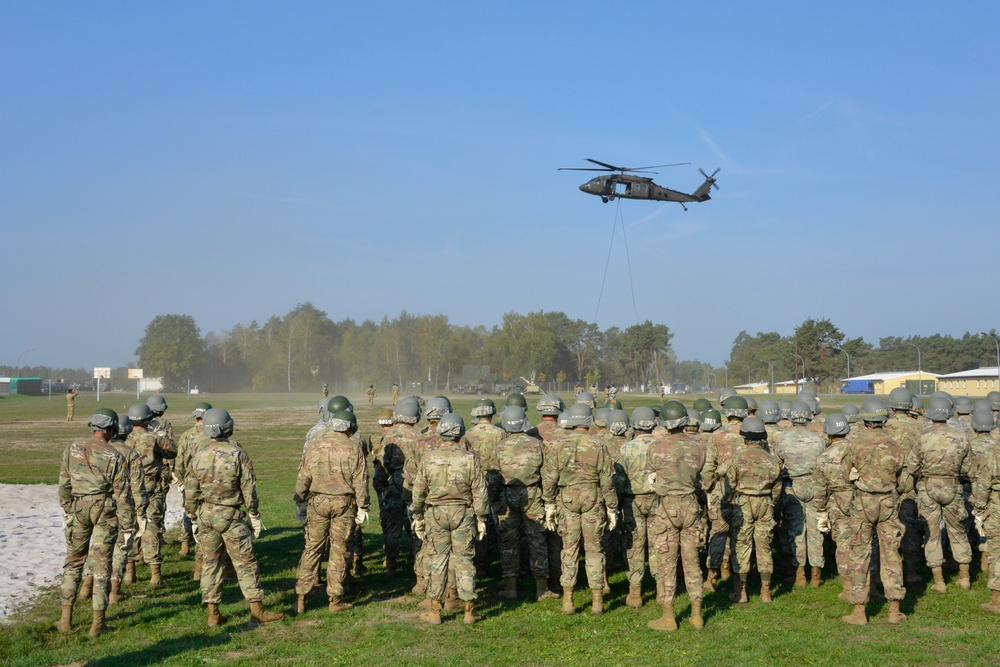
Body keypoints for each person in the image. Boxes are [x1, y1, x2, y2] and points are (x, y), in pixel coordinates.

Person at [185, 408, 283, 627]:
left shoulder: (198, 454)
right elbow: (249, 489)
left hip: (206, 516)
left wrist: (192, 516)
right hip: (230, 516)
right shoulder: (237, 453)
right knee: (245, 563)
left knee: (210, 564)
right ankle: (257, 611)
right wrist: (254, 514)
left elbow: (190, 490)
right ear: (228, 427)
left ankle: (213, 614)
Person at [54, 408, 136, 637]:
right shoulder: (114, 455)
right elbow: (123, 495)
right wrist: (128, 526)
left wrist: (68, 510)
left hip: (79, 507)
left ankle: (65, 619)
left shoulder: (72, 448)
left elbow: (64, 484)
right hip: (105, 511)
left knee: (73, 561)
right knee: (102, 566)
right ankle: (97, 624)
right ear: (111, 429)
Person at [410, 414, 489, 625]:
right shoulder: (469, 458)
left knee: (438, 560)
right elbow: (480, 491)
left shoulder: (429, 457)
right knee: (464, 560)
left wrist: (417, 515)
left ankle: (435, 610)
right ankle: (469, 611)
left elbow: (418, 490)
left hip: (436, 513)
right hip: (463, 513)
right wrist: (481, 516)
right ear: (460, 432)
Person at [541, 403, 617, 615]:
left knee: (569, 548)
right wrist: (611, 507)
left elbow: (550, 477)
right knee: (594, 548)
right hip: (592, 497)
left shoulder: (559, 445)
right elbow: (607, 480)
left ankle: (568, 600)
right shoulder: (598, 445)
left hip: (567, 498)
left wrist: (549, 503)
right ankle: (597, 601)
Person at [645, 402, 715, 631]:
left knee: (667, 562)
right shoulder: (698, 447)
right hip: (690, 505)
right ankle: (696, 615)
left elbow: (652, 474)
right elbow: (699, 474)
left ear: (664, 422)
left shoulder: (656, 447)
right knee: (692, 560)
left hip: (667, 508)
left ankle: (668, 616)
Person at [841, 398, 910, 626]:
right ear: (884, 419)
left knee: (859, 555)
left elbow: (844, 474)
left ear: (866, 420)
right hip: (888, 503)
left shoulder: (855, 443)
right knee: (891, 554)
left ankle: (859, 612)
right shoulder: (895, 445)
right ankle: (894, 610)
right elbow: (905, 482)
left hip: (862, 503)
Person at [293, 409, 369, 614]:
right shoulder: (354, 448)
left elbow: (303, 477)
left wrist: (299, 499)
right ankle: (334, 599)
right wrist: (363, 506)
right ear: (350, 427)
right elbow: (360, 481)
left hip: (317, 502)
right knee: (339, 549)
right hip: (343, 504)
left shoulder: (315, 445)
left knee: (312, 548)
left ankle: (301, 596)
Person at [79, 413, 148, 607]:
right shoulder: (130, 454)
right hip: (122, 507)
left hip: (98, 506)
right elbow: (137, 486)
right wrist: (140, 510)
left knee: (97, 547)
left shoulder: (97, 449)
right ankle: (115, 590)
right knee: (121, 548)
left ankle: (86, 586)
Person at [908, 395, 972, 593]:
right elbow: (967, 467)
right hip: (952, 486)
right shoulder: (961, 436)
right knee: (958, 530)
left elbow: (912, 466)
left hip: (928, 488)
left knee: (932, 533)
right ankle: (965, 577)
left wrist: (926, 474)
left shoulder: (922, 436)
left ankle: (938, 581)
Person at [494, 405, 555, 601]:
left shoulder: (500, 446)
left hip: (507, 495)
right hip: (533, 494)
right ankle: (541, 589)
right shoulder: (537, 444)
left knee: (508, 542)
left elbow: (494, 477)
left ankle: (510, 587)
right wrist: (549, 498)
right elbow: (547, 474)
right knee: (537, 540)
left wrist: (495, 500)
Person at [726, 416, 782, 604]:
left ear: (745, 438)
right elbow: (777, 486)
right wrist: (770, 501)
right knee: (764, 545)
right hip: (765, 503)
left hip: (744, 504)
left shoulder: (738, 458)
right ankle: (765, 592)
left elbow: (730, 484)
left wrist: (731, 501)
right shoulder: (771, 459)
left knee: (742, 545)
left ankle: (741, 592)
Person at [774, 400, 827, 588]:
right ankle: (816, 574)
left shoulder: (783, 439)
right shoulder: (818, 440)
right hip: (813, 485)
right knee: (815, 531)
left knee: (796, 530)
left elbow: (776, 466)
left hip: (792, 486)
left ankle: (799, 575)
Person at [124, 402, 176, 586]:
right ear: (149, 419)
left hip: (128, 488)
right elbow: (172, 452)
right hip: (151, 487)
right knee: (151, 526)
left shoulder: (123, 438)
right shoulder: (154, 438)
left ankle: (130, 571)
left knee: (129, 527)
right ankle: (155, 574)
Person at [617, 406, 658, 609]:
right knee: (659, 544)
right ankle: (662, 590)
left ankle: (635, 593)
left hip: (632, 501)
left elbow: (618, 478)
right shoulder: (662, 446)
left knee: (634, 545)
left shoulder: (627, 448)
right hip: (658, 501)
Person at [812, 413, 854, 601]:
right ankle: (871, 584)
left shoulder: (824, 457)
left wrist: (821, 511)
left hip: (837, 503)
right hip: (861, 501)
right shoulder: (858, 450)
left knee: (843, 546)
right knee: (866, 542)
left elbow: (820, 490)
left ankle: (847, 588)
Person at [380, 397, 423, 578]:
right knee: (416, 524)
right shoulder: (419, 436)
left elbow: (384, 462)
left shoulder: (389, 435)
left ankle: (391, 565)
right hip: (414, 481)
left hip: (396, 480)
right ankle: (419, 566)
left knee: (393, 524)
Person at [464, 398, 506, 578]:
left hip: (473, 479)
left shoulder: (468, 433)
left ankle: (477, 563)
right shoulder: (500, 433)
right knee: (494, 521)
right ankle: (493, 563)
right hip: (494, 478)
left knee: (476, 520)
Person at [175, 402, 212, 557]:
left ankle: (185, 544)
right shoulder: (213, 434)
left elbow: (179, 460)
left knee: (188, 511)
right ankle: (204, 545)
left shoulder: (186, 435)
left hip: (190, 480)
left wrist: (180, 479)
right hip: (208, 480)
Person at [970, 426, 1000, 614]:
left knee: (997, 550)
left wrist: (980, 510)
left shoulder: (993, 453)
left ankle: (997, 601)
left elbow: (982, 485)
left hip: (997, 505)